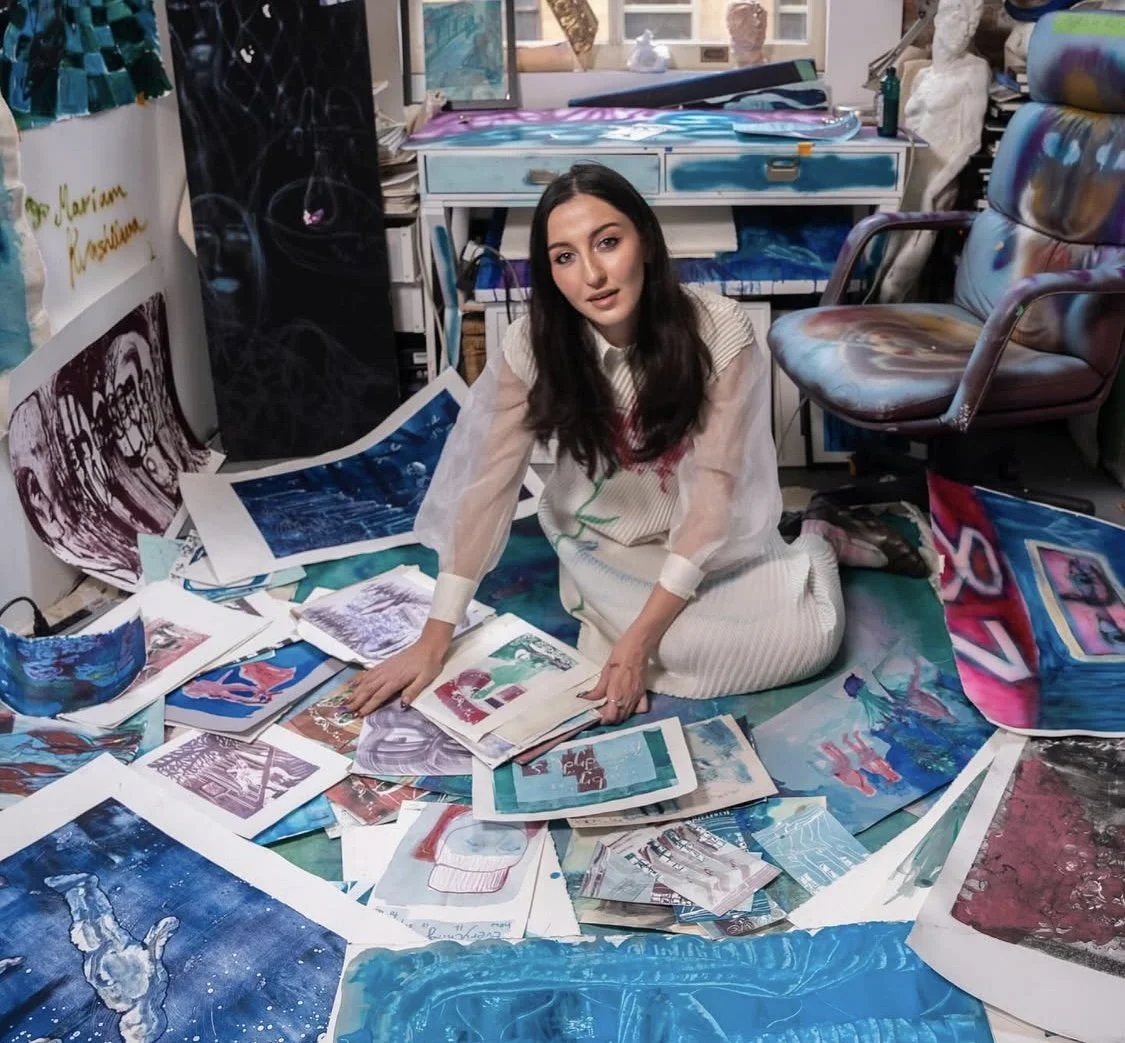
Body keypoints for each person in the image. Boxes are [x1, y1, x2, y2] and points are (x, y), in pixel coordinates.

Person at [347, 164, 926, 724]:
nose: (592, 276)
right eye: (564, 257)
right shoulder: (533, 344)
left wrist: (637, 643)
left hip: (703, 537)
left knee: (806, 641)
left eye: (607, 242)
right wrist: (434, 637)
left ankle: (818, 540)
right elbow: (488, 488)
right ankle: (640, 623)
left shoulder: (721, 329)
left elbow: (715, 496)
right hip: (602, 541)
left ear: (645, 241)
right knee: (674, 651)